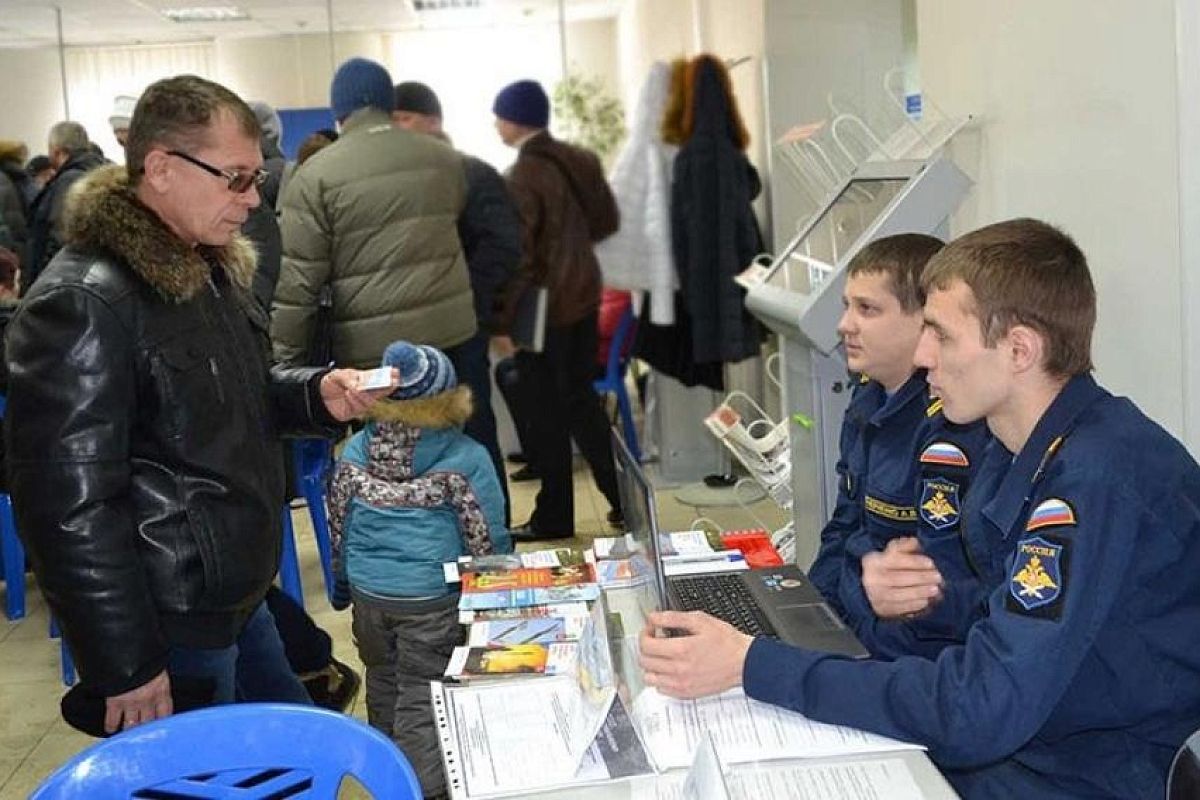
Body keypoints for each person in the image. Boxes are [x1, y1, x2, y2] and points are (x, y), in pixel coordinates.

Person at [638, 218, 1200, 798]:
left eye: (942, 334)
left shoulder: (1090, 481)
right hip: (1039, 739)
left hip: (1089, 771)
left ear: (1019, 350)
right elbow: (1010, 617)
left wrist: (753, 665)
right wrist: (929, 603)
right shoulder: (1024, 451)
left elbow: (980, 711)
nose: (924, 355)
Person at [6, 74, 391, 734]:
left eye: (256, 178)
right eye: (236, 178)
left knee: (296, 754)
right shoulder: (83, 301)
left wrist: (312, 395)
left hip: (234, 596)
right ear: (161, 168)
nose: (252, 199)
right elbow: (66, 504)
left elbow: (229, 395)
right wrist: (124, 661)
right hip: (169, 619)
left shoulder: (202, 263)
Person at [328, 340, 511, 799]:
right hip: (432, 601)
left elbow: (339, 526)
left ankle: (385, 778)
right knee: (424, 698)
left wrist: (342, 586)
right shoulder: (467, 458)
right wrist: (495, 601)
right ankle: (421, 791)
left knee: (384, 680)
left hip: (370, 596)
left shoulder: (352, 453)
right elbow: (485, 536)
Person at [806, 234, 989, 659]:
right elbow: (843, 530)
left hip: (899, 651)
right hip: (856, 629)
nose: (845, 325)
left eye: (867, 309)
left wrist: (849, 650)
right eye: (847, 306)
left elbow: (926, 593)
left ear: (923, 321)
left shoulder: (952, 427)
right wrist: (812, 619)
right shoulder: (866, 400)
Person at [272, 58, 475, 375]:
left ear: (339, 111)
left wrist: (286, 363)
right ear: (388, 102)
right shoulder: (445, 159)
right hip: (450, 333)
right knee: (451, 420)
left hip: (374, 349)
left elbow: (298, 281)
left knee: (390, 426)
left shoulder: (315, 175)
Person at [491, 78, 623, 541]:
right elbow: (607, 221)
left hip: (543, 311)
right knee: (583, 406)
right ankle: (623, 499)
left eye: (499, 116)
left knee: (545, 416)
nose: (495, 124)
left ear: (512, 119)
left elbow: (521, 255)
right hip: (585, 298)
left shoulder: (522, 176)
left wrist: (504, 319)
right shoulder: (581, 160)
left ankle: (554, 517)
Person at [391, 79, 520, 521]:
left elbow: (504, 245)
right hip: (410, 331)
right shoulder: (398, 182)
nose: (397, 129)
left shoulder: (469, 172)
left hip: (461, 328)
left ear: (433, 121)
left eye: (405, 118)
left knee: (474, 430)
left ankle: (492, 528)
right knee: (415, 439)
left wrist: (465, 295)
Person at [23, 120, 105, 293]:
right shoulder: (100, 173)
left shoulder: (68, 180)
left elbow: (59, 237)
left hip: (61, 286)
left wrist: (44, 287)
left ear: (57, 150)